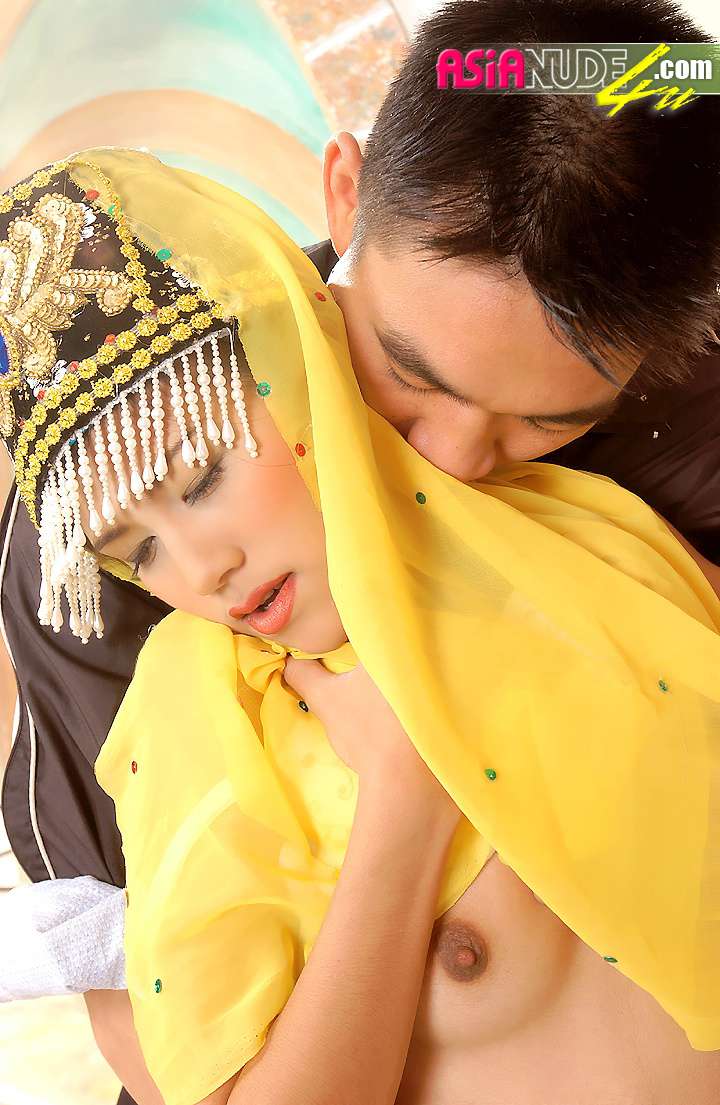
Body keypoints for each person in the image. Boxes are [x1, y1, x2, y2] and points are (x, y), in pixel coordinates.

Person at [1, 0, 720, 1101]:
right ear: (344, 193)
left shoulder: (661, 446)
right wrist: (407, 806)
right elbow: (159, 1047)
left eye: (545, 422)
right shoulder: (129, 525)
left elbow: (663, 77)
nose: (458, 459)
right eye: (412, 376)